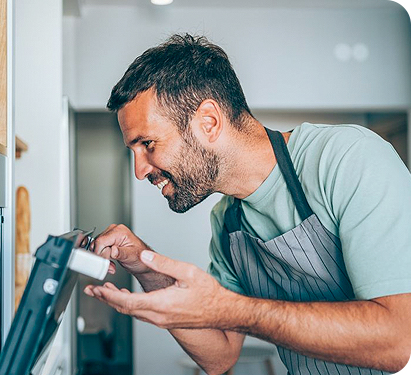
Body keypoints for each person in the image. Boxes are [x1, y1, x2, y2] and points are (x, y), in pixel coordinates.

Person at [83, 34, 411, 375]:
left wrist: (233, 310)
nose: (139, 171)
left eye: (148, 143)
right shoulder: (228, 221)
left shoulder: (346, 160)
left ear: (208, 122)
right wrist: (144, 268)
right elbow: (219, 355)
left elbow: (400, 339)